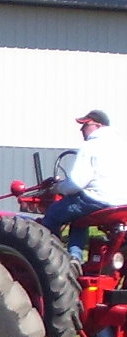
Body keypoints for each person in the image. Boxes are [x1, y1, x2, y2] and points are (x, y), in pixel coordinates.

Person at [42, 109, 127, 261]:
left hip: (97, 200)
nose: (81, 129)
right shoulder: (121, 145)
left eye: (85, 125)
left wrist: (57, 187)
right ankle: (75, 257)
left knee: (53, 213)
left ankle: (51, 261)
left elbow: (76, 183)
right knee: (78, 218)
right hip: (121, 202)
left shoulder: (91, 146)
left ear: (98, 125)